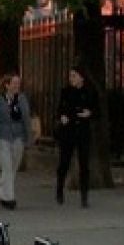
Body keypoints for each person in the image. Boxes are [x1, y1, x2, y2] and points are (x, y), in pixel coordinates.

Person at [54, 67, 98, 207]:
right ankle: (59, 189)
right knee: (64, 162)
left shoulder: (90, 92)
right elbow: (60, 109)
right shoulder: (66, 92)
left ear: (81, 78)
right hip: (68, 131)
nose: (71, 78)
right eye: (70, 76)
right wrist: (62, 117)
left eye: (74, 76)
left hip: (83, 132)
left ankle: (84, 196)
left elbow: (97, 110)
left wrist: (89, 113)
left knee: (84, 164)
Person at [0, 73, 31, 209]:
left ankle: (3, 194)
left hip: (18, 137)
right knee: (6, 167)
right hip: (3, 137)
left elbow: (26, 119)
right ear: (7, 85)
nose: (17, 86)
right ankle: (10, 198)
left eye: (18, 83)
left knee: (12, 168)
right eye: (14, 83)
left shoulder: (22, 99)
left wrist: (28, 137)